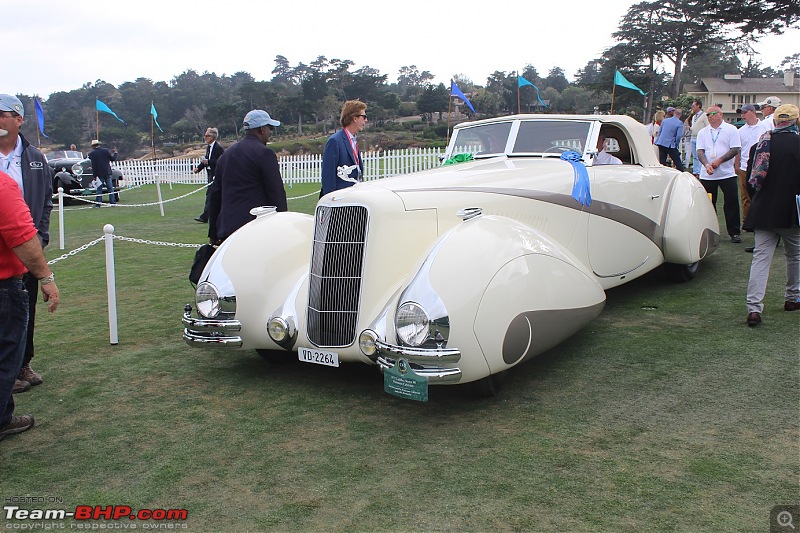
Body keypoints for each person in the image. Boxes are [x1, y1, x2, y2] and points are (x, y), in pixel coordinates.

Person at [0, 170, 60, 442]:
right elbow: (22, 236)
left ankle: (5, 417)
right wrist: (46, 277)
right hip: (3, 285)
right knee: (6, 357)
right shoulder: (2, 185)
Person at [0, 94, 53, 394]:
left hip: (27, 249)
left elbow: (45, 202)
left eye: (1, 114)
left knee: (25, 308)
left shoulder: (35, 158)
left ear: (18, 119)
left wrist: (40, 238)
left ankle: (23, 362)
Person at [743, 104, 800, 326]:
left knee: (761, 259)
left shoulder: (760, 144)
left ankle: (754, 308)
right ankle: (793, 297)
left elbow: (752, 181)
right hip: (791, 212)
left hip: (764, 209)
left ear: (775, 121)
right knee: (795, 256)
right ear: (795, 121)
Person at [207, 110, 287, 243]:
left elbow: (215, 195)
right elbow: (276, 192)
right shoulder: (265, 154)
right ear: (262, 129)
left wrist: (213, 233)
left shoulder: (226, 155)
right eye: (269, 128)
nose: (270, 132)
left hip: (227, 228)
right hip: (255, 228)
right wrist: (283, 224)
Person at [696, 105, 742, 243]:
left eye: (713, 114)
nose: (710, 117)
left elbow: (735, 149)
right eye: (708, 114)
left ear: (720, 114)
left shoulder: (731, 129)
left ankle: (734, 232)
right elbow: (700, 151)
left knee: (731, 203)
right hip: (707, 174)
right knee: (709, 204)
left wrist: (719, 161)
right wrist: (707, 165)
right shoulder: (703, 132)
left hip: (727, 173)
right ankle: (711, 231)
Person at [735, 103, 768, 251]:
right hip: (744, 167)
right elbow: (737, 149)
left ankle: (761, 222)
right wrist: (736, 166)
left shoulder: (765, 128)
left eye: (745, 112)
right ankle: (748, 222)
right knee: (745, 196)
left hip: (760, 168)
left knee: (760, 196)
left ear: (753, 112)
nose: (742, 115)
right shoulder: (740, 131)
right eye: (741, 113)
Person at [321, 100, 368, 197]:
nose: (366, 120)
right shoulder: (335, 141)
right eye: (364, 117)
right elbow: (328, 177)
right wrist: (332, 202)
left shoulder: (353, 140)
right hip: (340, 201)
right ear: (355, 118)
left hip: (354, 197)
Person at [193, 127, 224, 223]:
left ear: (213, 137)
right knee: (212, 195)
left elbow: (220, 161)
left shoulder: (218, 148)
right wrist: (199, 168)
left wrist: (209, 161)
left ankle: (205, 217)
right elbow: (205, 161)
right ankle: (209, 216)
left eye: (207, 136)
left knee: (210, 195)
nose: (205, 137)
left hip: (216, 175)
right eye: (205, 135)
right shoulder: (208, 148)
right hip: (210, 174)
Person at [87, 139, 118, 206]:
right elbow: (112, 159)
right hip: (107, 171)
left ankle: (98, 203)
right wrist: (115, 153)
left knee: (99, 189)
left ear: (93, 146)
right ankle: (112, 202)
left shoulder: (92, 154)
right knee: (110, 188)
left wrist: (94, 175)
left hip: (99, 173)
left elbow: (94, 165)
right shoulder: (105, 150)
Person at [654, 106, 685, 171]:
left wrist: (659, 140)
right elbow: (678, 136)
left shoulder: (665, 121)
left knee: (662, 160)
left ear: (674, 113)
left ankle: (662, 172)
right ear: (680, 115)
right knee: (677, 160)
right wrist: (675, 144)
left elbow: (660, 131)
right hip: (670, 144)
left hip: (661, 142)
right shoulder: (680, 123)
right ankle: (682, 172)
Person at [689, 99, 710, 178]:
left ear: (698, 106)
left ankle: (701, 171)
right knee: (694, 156)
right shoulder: (694, 116)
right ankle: (696, 171)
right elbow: (694, 127)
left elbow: (707, 126)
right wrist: (690, 128)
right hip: (693, 137)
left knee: (700, 155)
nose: (692, 107)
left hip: (700, 138)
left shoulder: (704, 115)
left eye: (693, 106)